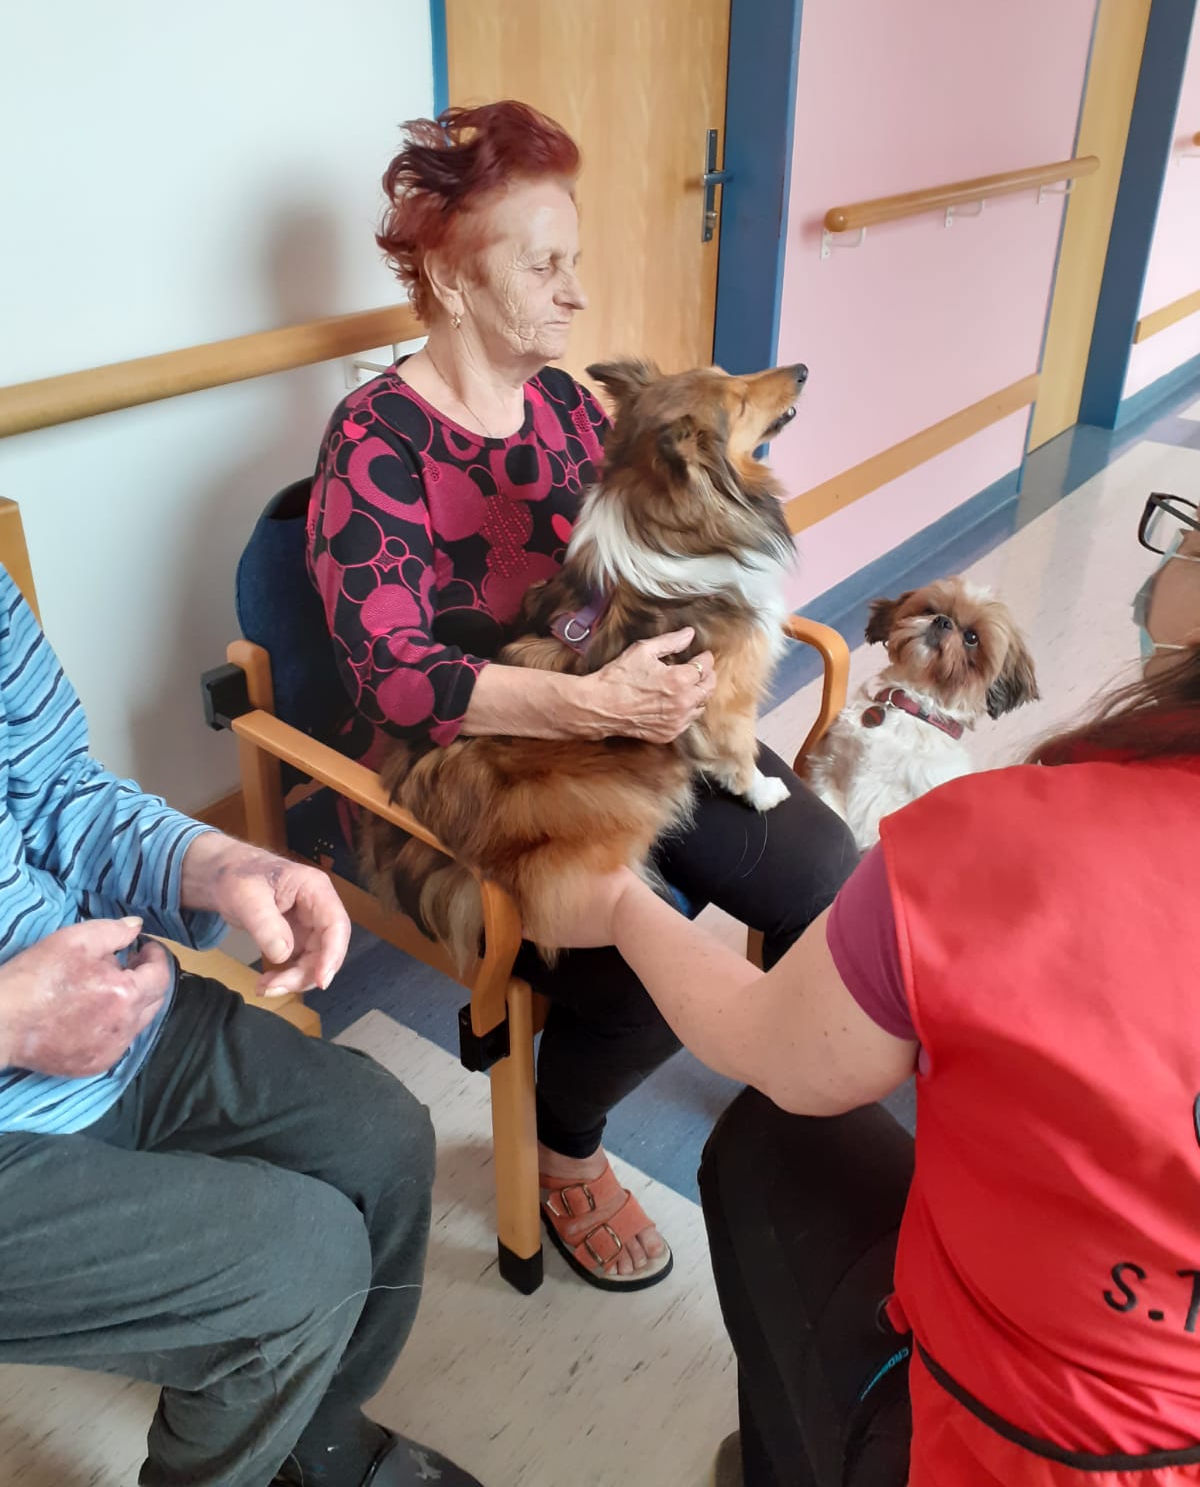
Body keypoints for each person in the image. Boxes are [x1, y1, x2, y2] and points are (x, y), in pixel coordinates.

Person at [528, 488, 1200, 1484]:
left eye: (1190, 529)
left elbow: (771, 1055)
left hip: (1016, 1447)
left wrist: (624, 908)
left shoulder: (1004, 838)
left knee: (769, 1125)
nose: (1174, 547)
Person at [306, 100, 858, 1290]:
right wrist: (586, 701)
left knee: (818, 863)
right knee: (639, 956)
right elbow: (393, 675)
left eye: (575, 262)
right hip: (461, 772)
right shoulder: (374, 442)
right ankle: (566, 1152)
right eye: (543, 266)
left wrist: (653, 668)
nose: (577, 293)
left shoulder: (563, 404)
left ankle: (793, 1076)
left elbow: (589, 595)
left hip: (612, 722)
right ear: (451, 280)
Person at [0, 566, 484, 1487]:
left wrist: (217, 864)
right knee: (300, 1265)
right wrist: (12, 1024)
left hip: (109, 1016)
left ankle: (308, 1434)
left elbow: (58, 791)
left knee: (380, 1141)